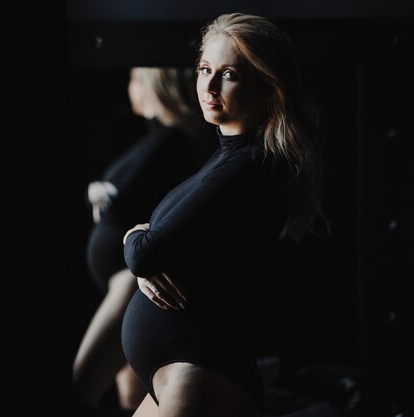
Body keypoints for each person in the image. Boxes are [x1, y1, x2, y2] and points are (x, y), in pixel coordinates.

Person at [121, 13, 329, 417]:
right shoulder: (228, 157)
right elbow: (154, 249)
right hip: (182, 375)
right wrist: (142, 240)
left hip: (199, 377)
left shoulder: (251, 165)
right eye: (204, 70)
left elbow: (145, 254)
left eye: (228, 74)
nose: (209, 86)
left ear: (268, 88)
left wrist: (134, 237)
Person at [73, 67, 215, 412]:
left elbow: (136, 203)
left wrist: (108, 199)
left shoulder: (171, 140)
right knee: (129, 399)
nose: (128, 88)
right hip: (123, 277)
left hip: (129, 279)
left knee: (80, 387)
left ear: (151, 84)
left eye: (133, 79)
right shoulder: (156, 138)